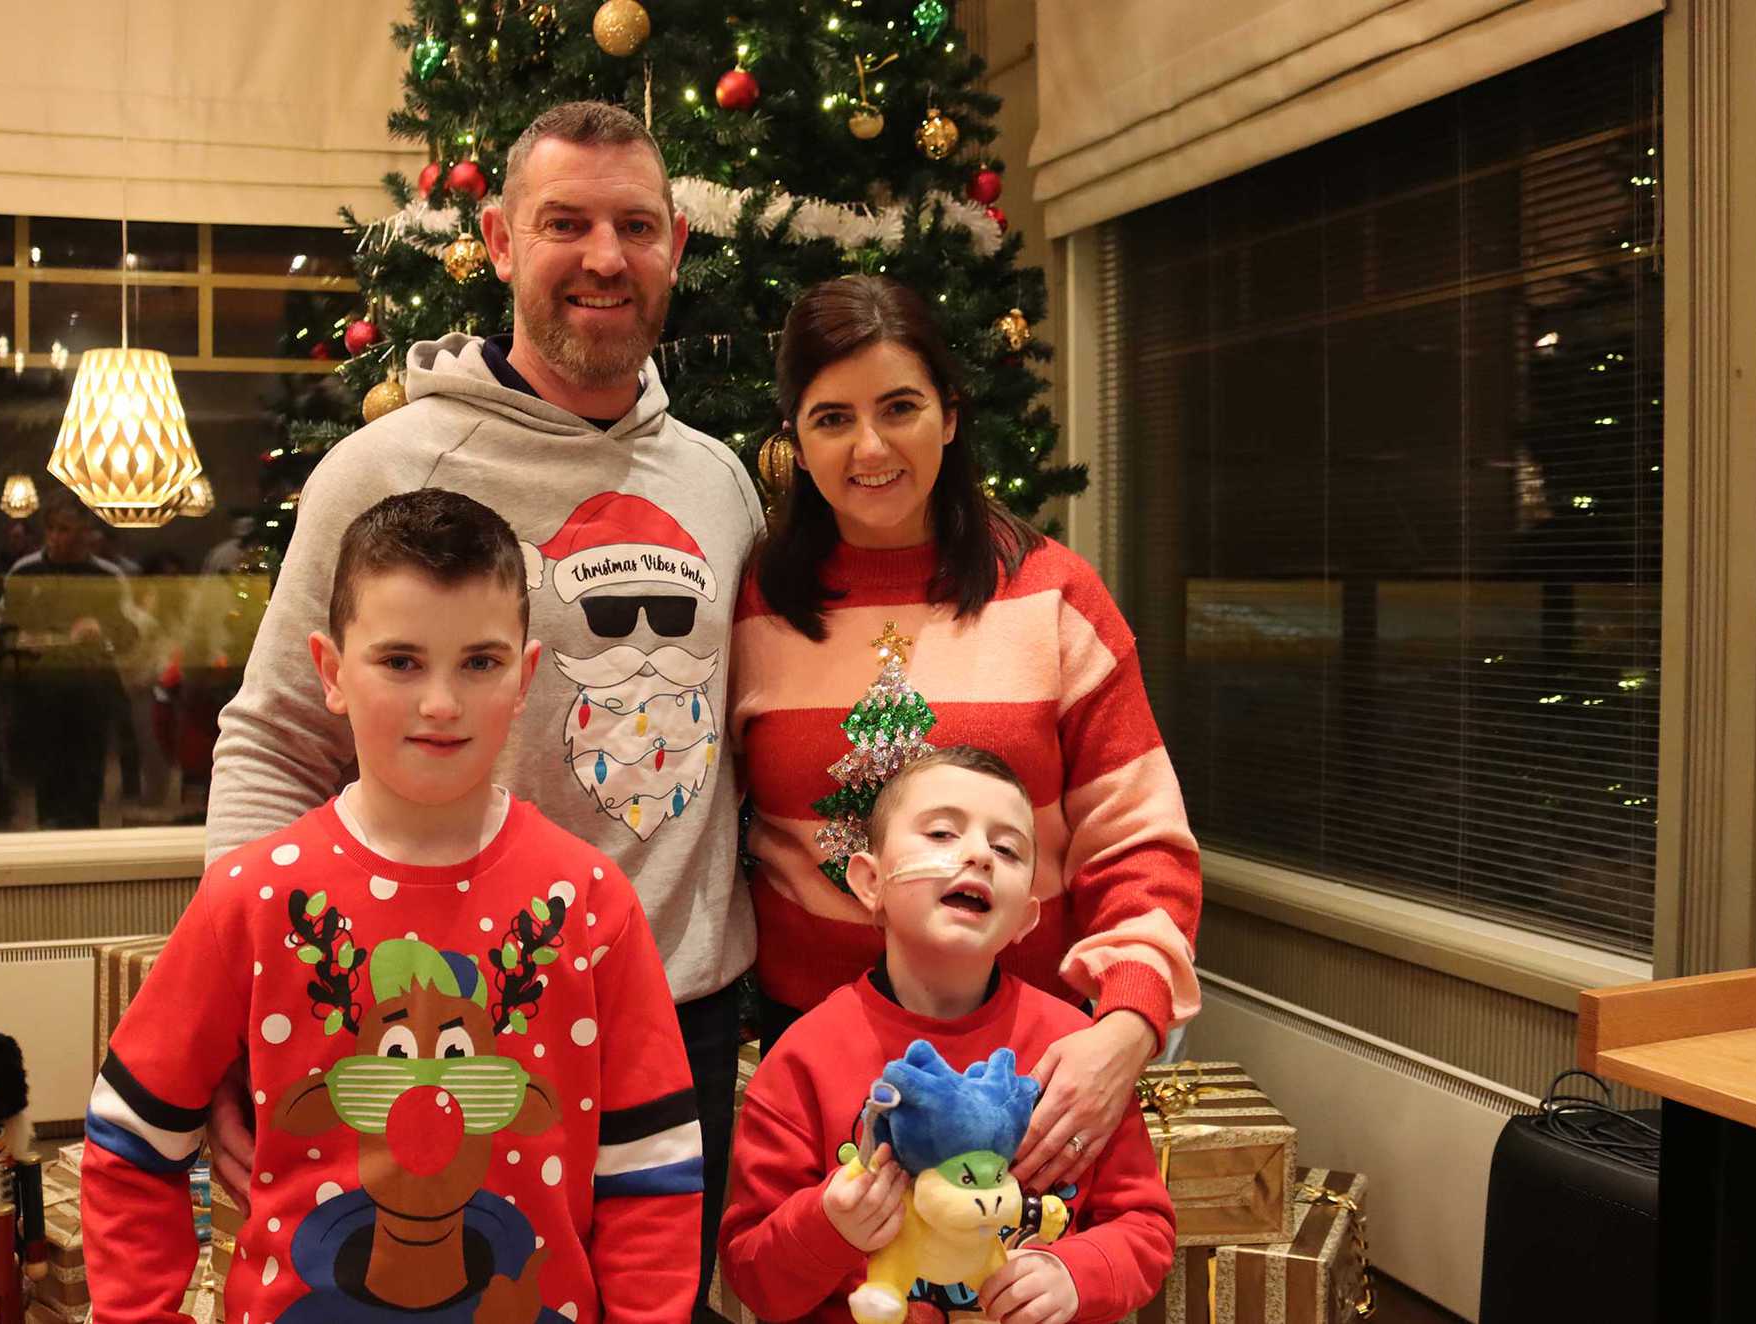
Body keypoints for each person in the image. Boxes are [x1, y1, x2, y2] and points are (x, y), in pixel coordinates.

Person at [206, 100, 761, 1308]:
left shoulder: (722, 483)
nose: (605, 257)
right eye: (565, 222)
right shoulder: (382, 470)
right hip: (457, 1023)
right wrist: (242, 1018)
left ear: (675, 248)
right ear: (502, 246)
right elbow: (272, 739)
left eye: (636, 225)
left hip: (686, 1016)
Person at [82, 490, 701, 1324]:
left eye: (478, 663)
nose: (440, 703)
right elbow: (129, 1144)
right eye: (401, 661)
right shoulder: (251, 899)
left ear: (523, 678)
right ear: (332, 672)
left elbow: (652, 1172)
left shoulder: (590, 905)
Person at [729, 276, 1203, 1197]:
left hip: (1023, 1066)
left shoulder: (1054, 596)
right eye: (831, 418)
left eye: (899, 407)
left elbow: (1138, 839)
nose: (869, 447)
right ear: (793, 442)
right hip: (815, 1058)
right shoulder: (752, 605)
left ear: (948, 416)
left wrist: (1127, 1025)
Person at [718, 746, 1174, 1324]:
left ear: (1025, 919)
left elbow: (1146, 1228)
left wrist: (1076, 1274)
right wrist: (827, 1227)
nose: (979, 854)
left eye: (1007, 849)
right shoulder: (802, 1060)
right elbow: (752, 1275)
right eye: (941, 833)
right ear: (870, 882)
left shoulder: (1070, 1050)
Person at [2, 494, 144, 828]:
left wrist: (102, 632)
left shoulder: (107, 575)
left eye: (70, 530)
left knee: (87, 780)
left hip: (89, 692)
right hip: (39, 692)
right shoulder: (24, 572)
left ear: (87, 534)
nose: (60, 537)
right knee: (46, 780)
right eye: (55, 529)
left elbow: (130, 634)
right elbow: (0, 630)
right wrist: (20, 642)